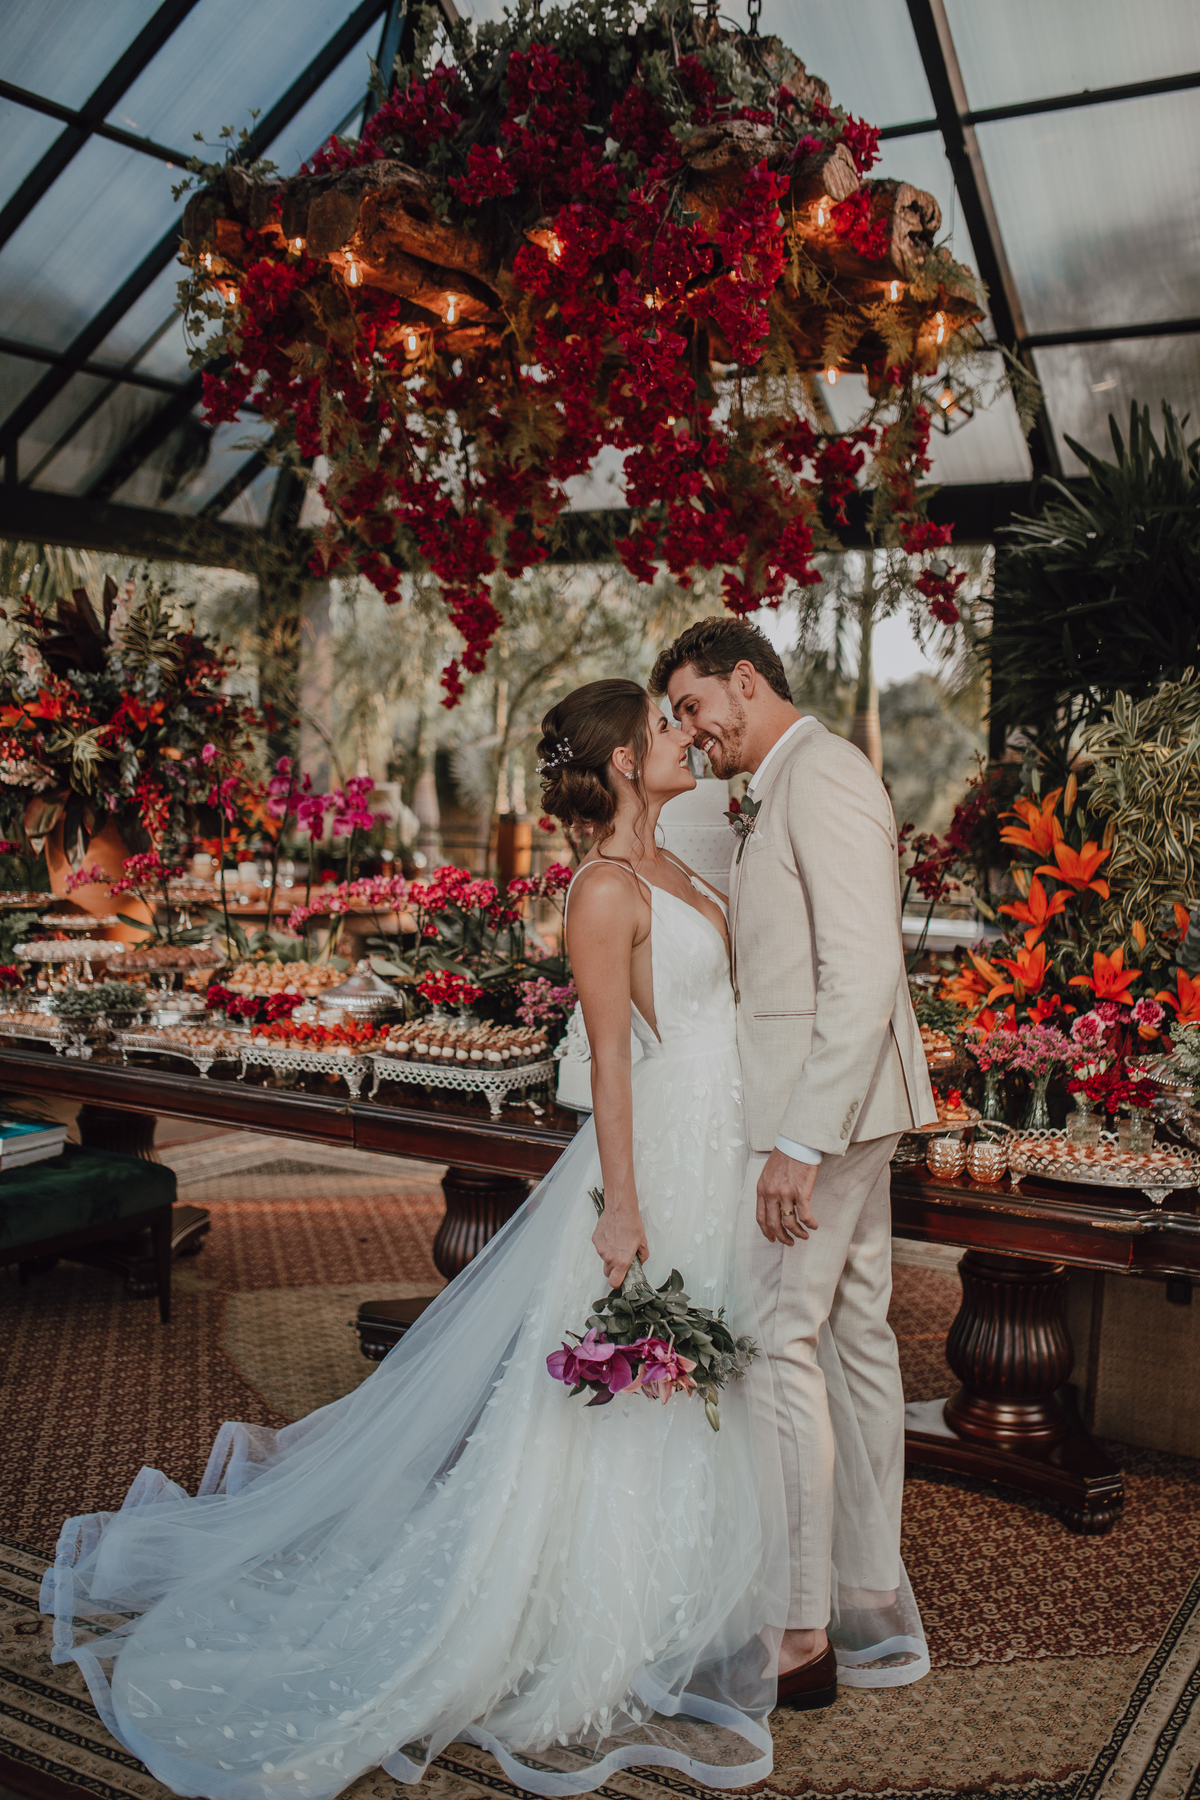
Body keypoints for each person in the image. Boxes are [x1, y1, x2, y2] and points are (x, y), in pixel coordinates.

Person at [42, 678, 796, 1800]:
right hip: (661, 1156)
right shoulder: (602, 892)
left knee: (689, 1378)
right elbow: (613, 1073)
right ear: (629, 763)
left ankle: (658, 1612)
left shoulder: (684, 867)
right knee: (628, 1383)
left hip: (723, 1146)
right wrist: (625, 1205)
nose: (685, 734)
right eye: (665, 726)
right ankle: (575, 1621)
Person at [652, 616, 937, 1699]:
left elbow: (860, 975)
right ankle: (865, 1590)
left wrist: (797, 1144)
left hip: (827, 1111)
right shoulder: (771, 781)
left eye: (693, 706)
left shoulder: (822, 775)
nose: (691, 727)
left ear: (743, 679)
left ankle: (801, 1631)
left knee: (778, 1340)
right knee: (856, 1332)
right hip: (854, 1102)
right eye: (676, 717)